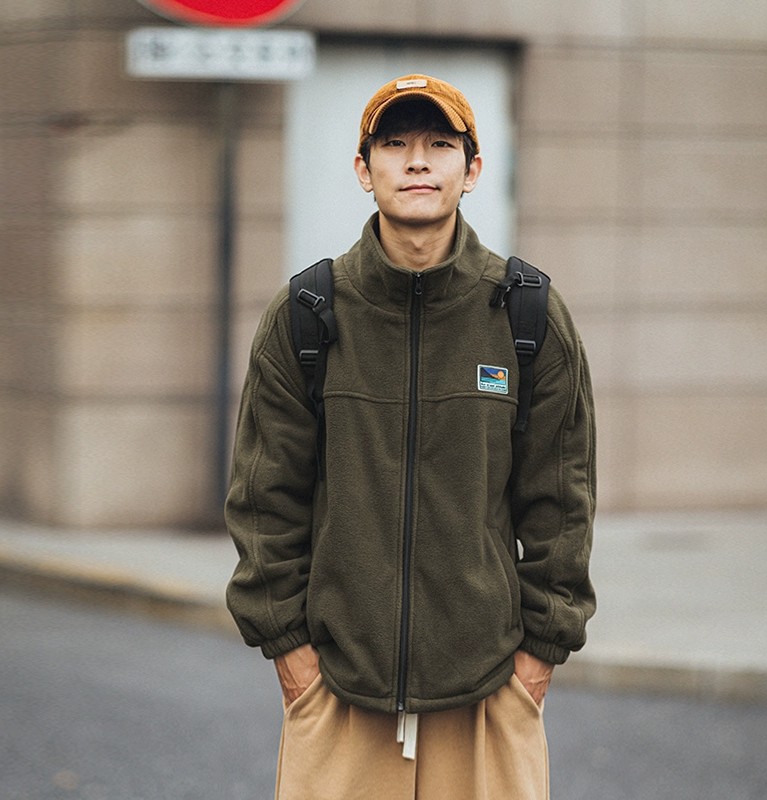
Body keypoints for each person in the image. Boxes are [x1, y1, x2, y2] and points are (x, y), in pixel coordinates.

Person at [225, 74, 596, 800]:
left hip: (489, 692)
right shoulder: (307, 314)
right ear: (364, 171)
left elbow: (562, 497)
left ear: (472, 169)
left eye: (440, 144)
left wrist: (539, 658)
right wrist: (290, 653)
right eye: (394, 144)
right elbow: (264, 498)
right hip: (338, 691)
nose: (417, 161)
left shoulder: (527, 315)